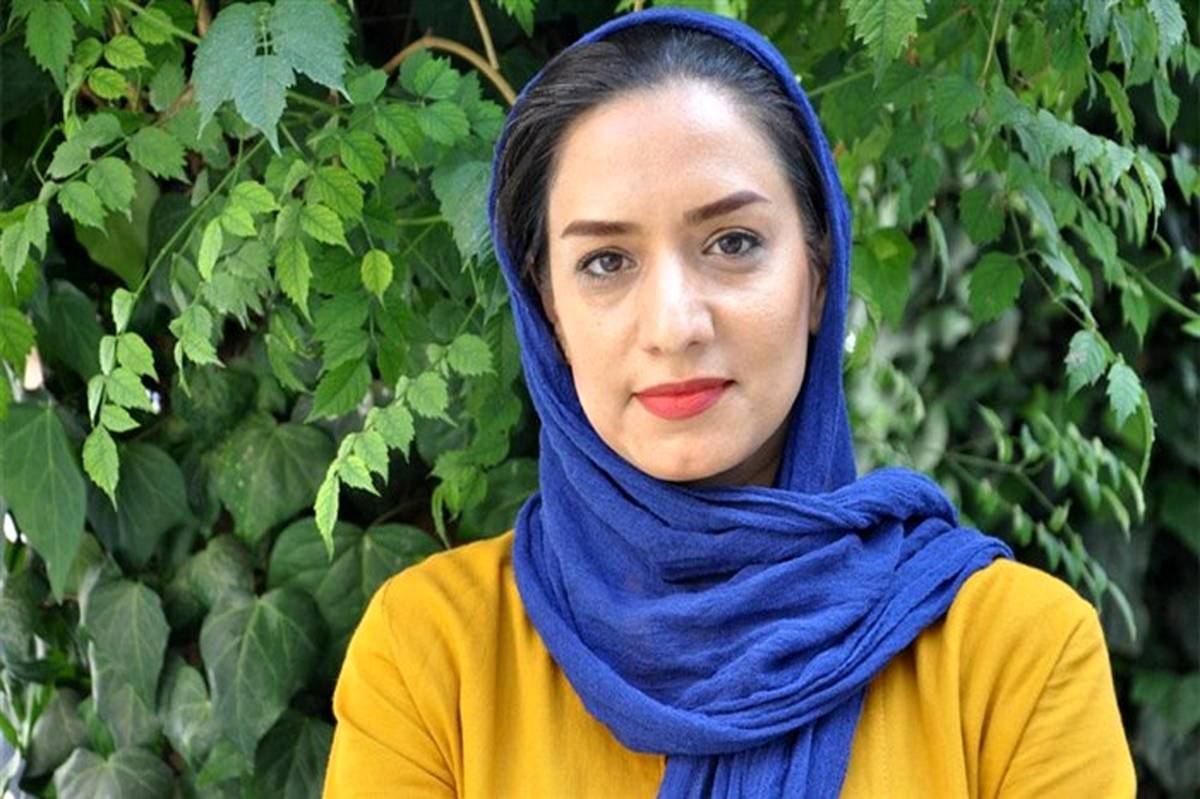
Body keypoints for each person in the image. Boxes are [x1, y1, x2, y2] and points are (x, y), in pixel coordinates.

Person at [322, 8, 1135, 797]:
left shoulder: (1013, 656)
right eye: (606, 261)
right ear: (549, 312)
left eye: (733, 243)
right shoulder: (432, 656)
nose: (674, 325)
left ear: (818, 275)